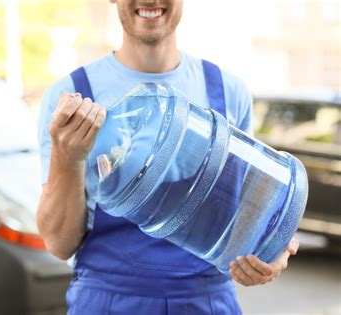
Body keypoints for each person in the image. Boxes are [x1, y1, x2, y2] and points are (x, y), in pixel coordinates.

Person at [37, 1, 299, 314]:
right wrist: (69, 158)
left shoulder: (229, 92)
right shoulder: (71, 97)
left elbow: (250, 215)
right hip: (108, 301)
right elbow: (59, 244)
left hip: (206, 301)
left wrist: (272, 252)